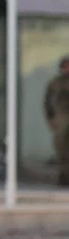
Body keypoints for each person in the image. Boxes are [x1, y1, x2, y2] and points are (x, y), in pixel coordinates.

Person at [44, 56, 69, 185]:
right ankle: (64, 176)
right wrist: (50, 119)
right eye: (66, 66)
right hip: (61, 119)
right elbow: (48, 102)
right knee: (61, 149)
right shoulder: (55, 83)